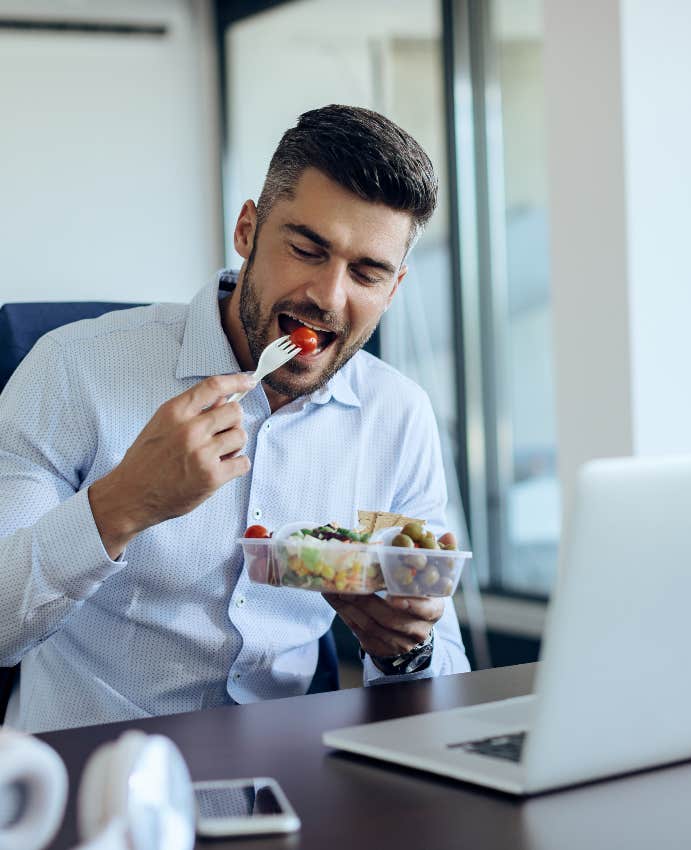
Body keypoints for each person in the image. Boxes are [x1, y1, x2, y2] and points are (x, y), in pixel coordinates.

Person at [0, 105, 470, 733]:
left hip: (294, 770)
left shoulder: (398, 417)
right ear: (247, 229)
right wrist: (125, 502)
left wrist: (404, 650)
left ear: (394, 288)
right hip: (95, 772)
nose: (328, 296)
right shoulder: (72, 368)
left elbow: (444, 679)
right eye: (306, 249)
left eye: (366, 273)